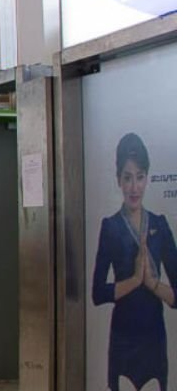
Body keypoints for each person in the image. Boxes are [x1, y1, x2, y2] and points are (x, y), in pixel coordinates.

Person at [91, 133, 177, 391]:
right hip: (123, 338)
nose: (134, 187)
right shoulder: (110, 227)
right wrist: (134, 281)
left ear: (147, 178)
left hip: (153, 336)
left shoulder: (160, 225)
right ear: (118, 179)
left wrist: (151, 283)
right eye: (127, 178)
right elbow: (97, 293)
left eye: (140, 177)